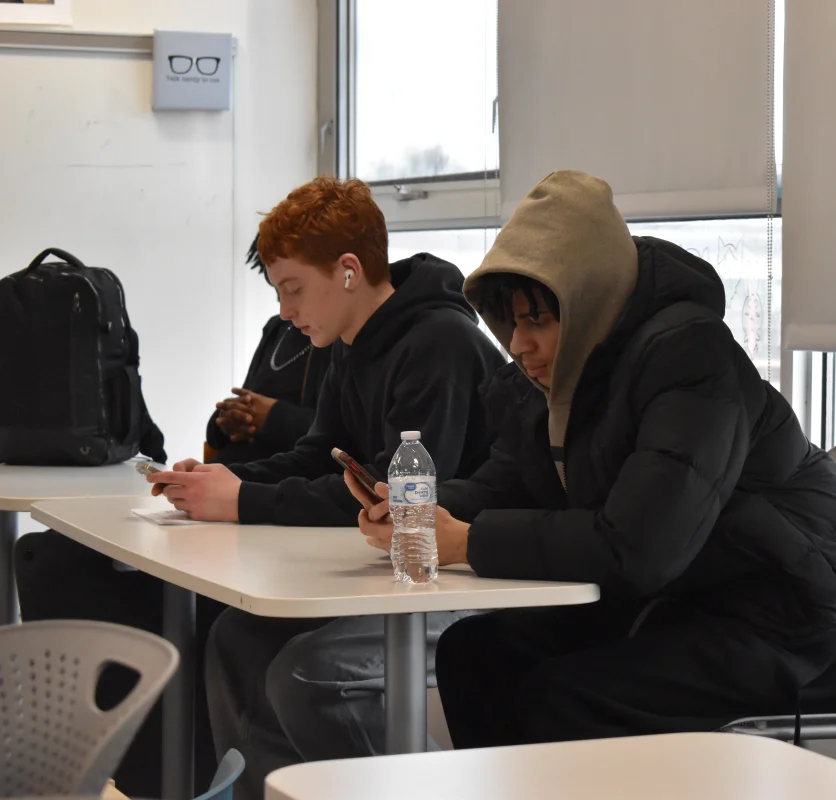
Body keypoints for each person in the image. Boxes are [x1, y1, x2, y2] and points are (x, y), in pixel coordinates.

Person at [350, 170, 836, 746]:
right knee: (472, 655)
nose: (517, 344)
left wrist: (466, 541)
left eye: (539, 319)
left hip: (795, 625)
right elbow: (507, 484)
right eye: (512, 320)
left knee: (560, 698)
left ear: (590, 302)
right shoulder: (559, 376)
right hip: (683, 604)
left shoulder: (692, 361)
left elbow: (638, 548)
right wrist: (416, 509)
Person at [148, 176, 504, 799]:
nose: (285, 311)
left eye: (292, 289)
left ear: (347, 271)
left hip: (466, 577)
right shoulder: (350, 341)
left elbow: (399, 496)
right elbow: (321, 453)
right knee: (235, 637)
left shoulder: (440, 343)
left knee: (302, 673)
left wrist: (244, 502)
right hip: (391, 567)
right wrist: (228, 479)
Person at [10, 236, 328, 799]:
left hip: (272, 527)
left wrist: (268, 432)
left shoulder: (378, 344)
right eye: (277, 286)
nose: (285, 306)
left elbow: (335, 455)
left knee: (197, 612)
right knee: (51, 556)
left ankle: (159, 777)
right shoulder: (281, 333)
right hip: (245, 507)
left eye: (292, 287)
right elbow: (298, 446)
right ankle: (112, 771)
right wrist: (227, 436)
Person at [205, 237, 332, 465]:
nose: (284, 310)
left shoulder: (341, 337)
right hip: (238, 476)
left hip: (283, 484)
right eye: (277, 291)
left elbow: (344, 441)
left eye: (293, 290)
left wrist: (272, 417)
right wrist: (227, 418)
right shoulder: (277, 329)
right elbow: (248, 398)